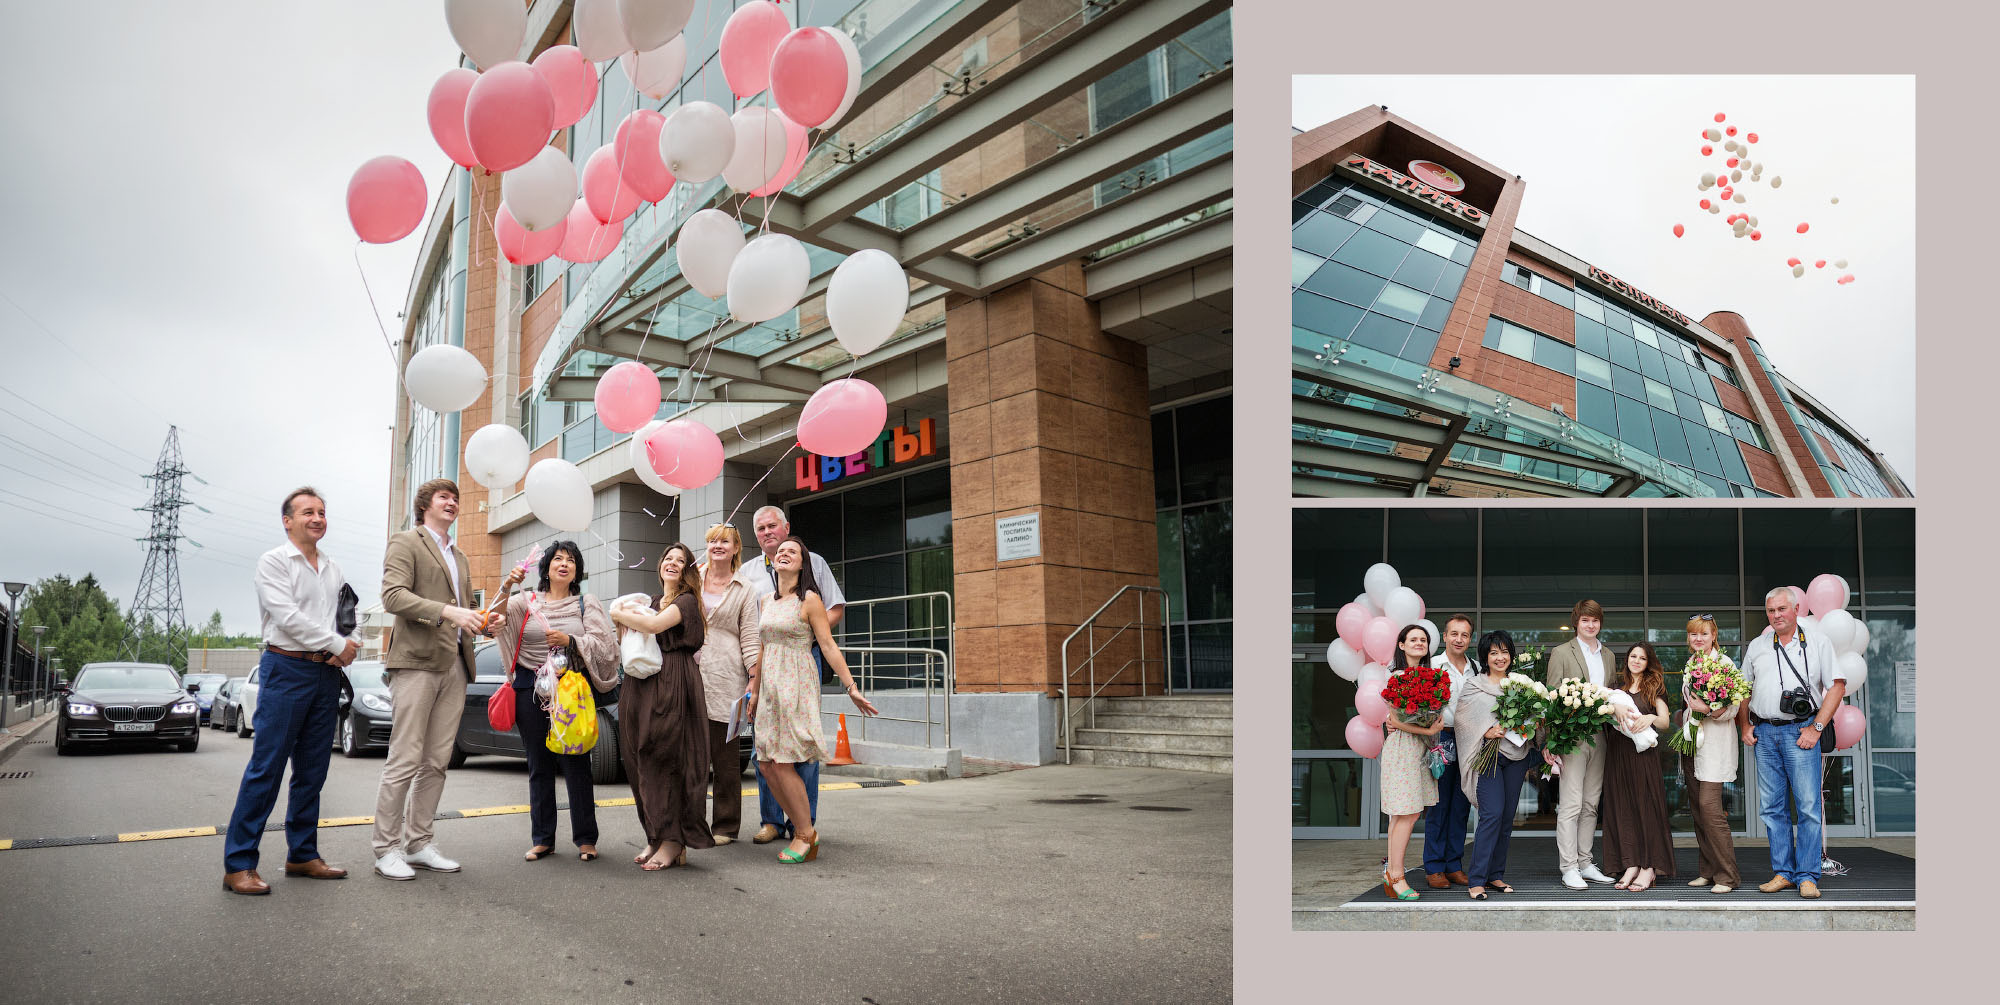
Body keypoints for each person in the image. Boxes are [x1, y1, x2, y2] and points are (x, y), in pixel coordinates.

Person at [222, 487, 363, 895]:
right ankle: (239, 863)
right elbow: (287, 616)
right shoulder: (274, 562)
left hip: (324, 674)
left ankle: (302, 853)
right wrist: (337, 644)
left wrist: (343, 644)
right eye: (307, 512)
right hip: (286, 669)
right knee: (267, 768)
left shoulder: (333, 568)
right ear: (287, 520)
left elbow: (343, 615)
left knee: (313, 770)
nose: (317, 518)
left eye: (321, 512)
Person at [373, 478, 495, 881]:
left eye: (456, 499)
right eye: (445, 497)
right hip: (416, 663)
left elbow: (468, 610)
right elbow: (393, 596)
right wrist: (449, 611)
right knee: (404, 758)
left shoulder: (459, 556)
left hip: (456, 665)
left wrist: (484, 620)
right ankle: (386, 848)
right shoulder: (406, 541)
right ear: (425, 504)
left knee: (437, 761)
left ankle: (418, 842)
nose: (453, 503)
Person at [754, 536, 880, 864]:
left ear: (802, 564)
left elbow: (827, 645)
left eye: (791, 551)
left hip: (796, 683)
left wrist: (851, 686)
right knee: (766, 764)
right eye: (780, 550)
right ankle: (802, 829)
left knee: (783, 762)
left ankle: (804, 834)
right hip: (768, 687)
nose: (783, 553)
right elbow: (763, 645)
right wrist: (754, 691)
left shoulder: (810, 600)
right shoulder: (766, 599)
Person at [496, 541, 617, 862]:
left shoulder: (584, 603)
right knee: (538, 765)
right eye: (558, 559)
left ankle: (586, 839)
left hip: (572, 691)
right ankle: (543, 838)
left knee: (577, 764)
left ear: (577, 570)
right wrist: (507, 585)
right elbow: (493, 619)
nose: (564, 564)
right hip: (530, 688)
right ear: (546, 567)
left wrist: (571, 640)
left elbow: (605, 643)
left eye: (572, 560)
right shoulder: (526, 601)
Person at [737, 505, 845, 845]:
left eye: (773, 526)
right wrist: (753, 678)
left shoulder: (813, 562)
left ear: (786, 528)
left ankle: (804, 822)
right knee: (766, 749)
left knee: (800, 746)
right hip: (765, 663)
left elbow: (835, 608)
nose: (767, 532)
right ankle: (771, 821)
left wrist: (805, 630)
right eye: (760, 529)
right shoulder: (749, 571)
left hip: (801, 657)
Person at [607, 543, 713, 870]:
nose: (672, 564)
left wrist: (616, 612)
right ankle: (655, 834)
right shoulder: (652, 602)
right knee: (639, 756)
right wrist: (625, 621)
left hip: (674, 680)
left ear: (688, 570)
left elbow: (652, 627)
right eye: (668, 558)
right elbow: (629, 634)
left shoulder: (687, 601)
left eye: (680, 561)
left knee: (666, 758)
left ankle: (673, 841)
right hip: (642, 682)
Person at [1741, 586, 1844, 899]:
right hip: (1765, 734)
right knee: (1772, 809)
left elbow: (1837, 686)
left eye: (1781, 609)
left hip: (1800, 733)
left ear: (1796, 609)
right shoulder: (1758, 646)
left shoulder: (1817, 641)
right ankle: (1783, 872)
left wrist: (1815, 727)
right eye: (1771, 610)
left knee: (1809, 807)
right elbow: (1743, 690)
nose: (1776, 615)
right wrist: (1744, 724)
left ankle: (1808, 876)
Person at [1453, 630, 1537, 900]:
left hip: (1516, 756)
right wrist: (1486, 731)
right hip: (1488, 755)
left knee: (1506, 818)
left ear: (1511, 655)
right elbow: (1463, 721)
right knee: (1491, 815)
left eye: (1504, 652)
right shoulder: (1474, 685)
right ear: (1486, 657)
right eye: (1494, 653)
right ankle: (1476, 879)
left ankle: (1495, 875)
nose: (1500, 657)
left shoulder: (1521, 685)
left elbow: (1534, 717)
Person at [695, 523, 761, 845]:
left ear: (736, 549)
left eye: (725, 541)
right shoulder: (692, 578)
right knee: (691, 758)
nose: (717, 545)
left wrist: (753, 680)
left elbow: (750, 636)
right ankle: (691, 824)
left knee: (725, 761)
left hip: (726, 678)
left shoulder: (744, 588)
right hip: (689, 675)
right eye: (712, 541)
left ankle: (725, 827)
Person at [1545, 598, 1617, 890]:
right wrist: (1548, 740)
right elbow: (1550, 697)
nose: (1591, 625)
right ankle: (1569, 867)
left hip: (1600, 735)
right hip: (1570, 737)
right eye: (1585, 620)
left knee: (1591, 804)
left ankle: (1586, 862)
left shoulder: (1609, 655)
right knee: (1572, 804)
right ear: (1576, 621)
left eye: (1595, 620)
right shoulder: (1562, 652)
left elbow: (1612, 696)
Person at [1598, 642, 1675, 892]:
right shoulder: (1615, 692)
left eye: (1642, 658)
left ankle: (1649, 866)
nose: (1637, 661)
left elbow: (1664, 722)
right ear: (1627, 660)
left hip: (1643, 758)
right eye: (1633, 656)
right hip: (1618, 757)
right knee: (1623, 810)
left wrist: (1651, 717)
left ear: (1648, 662)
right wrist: (1613, 705)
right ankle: (1630, 863)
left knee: (1646, 810)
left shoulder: (1655, 688)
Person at [1378, 624, 1443, 901]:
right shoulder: (1397, 676)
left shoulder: (1429, 676)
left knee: (1404, 815)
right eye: (1413, 639)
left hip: (1419, 750)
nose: (1419, 643)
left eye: (1423, 640)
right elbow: (1394, 720)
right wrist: (1428, 730)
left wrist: (1431, 729)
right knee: (1406, 813)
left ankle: (1391, 873)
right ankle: (1397, 876)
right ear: (1401, 645)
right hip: (1403, 749)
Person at [1681, 614, 1742, 894]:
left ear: (1714, 635)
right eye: (1694, 634)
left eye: (1704, 634)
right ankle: (1707, 871)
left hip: (1715, 745)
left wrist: (1709, 710)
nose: (1699, 639)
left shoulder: (1724, 665)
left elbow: (1733, 708)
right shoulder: (1691, 664)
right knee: (1697, 810)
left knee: (1710, 809)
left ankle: (1727, 876)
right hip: (1693, 743)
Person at [1422, 614, 1479, 889]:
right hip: (1440, 739)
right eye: (1454, 633)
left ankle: (1453, 865)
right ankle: (1433, 867)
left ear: (1470, 639)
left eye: (1464, 635)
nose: (1459, 639)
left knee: (1461, 805)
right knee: (1438, 805)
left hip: (1469, 740)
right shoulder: (1432, 666)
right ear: (1445, 636)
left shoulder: (1477, 669)